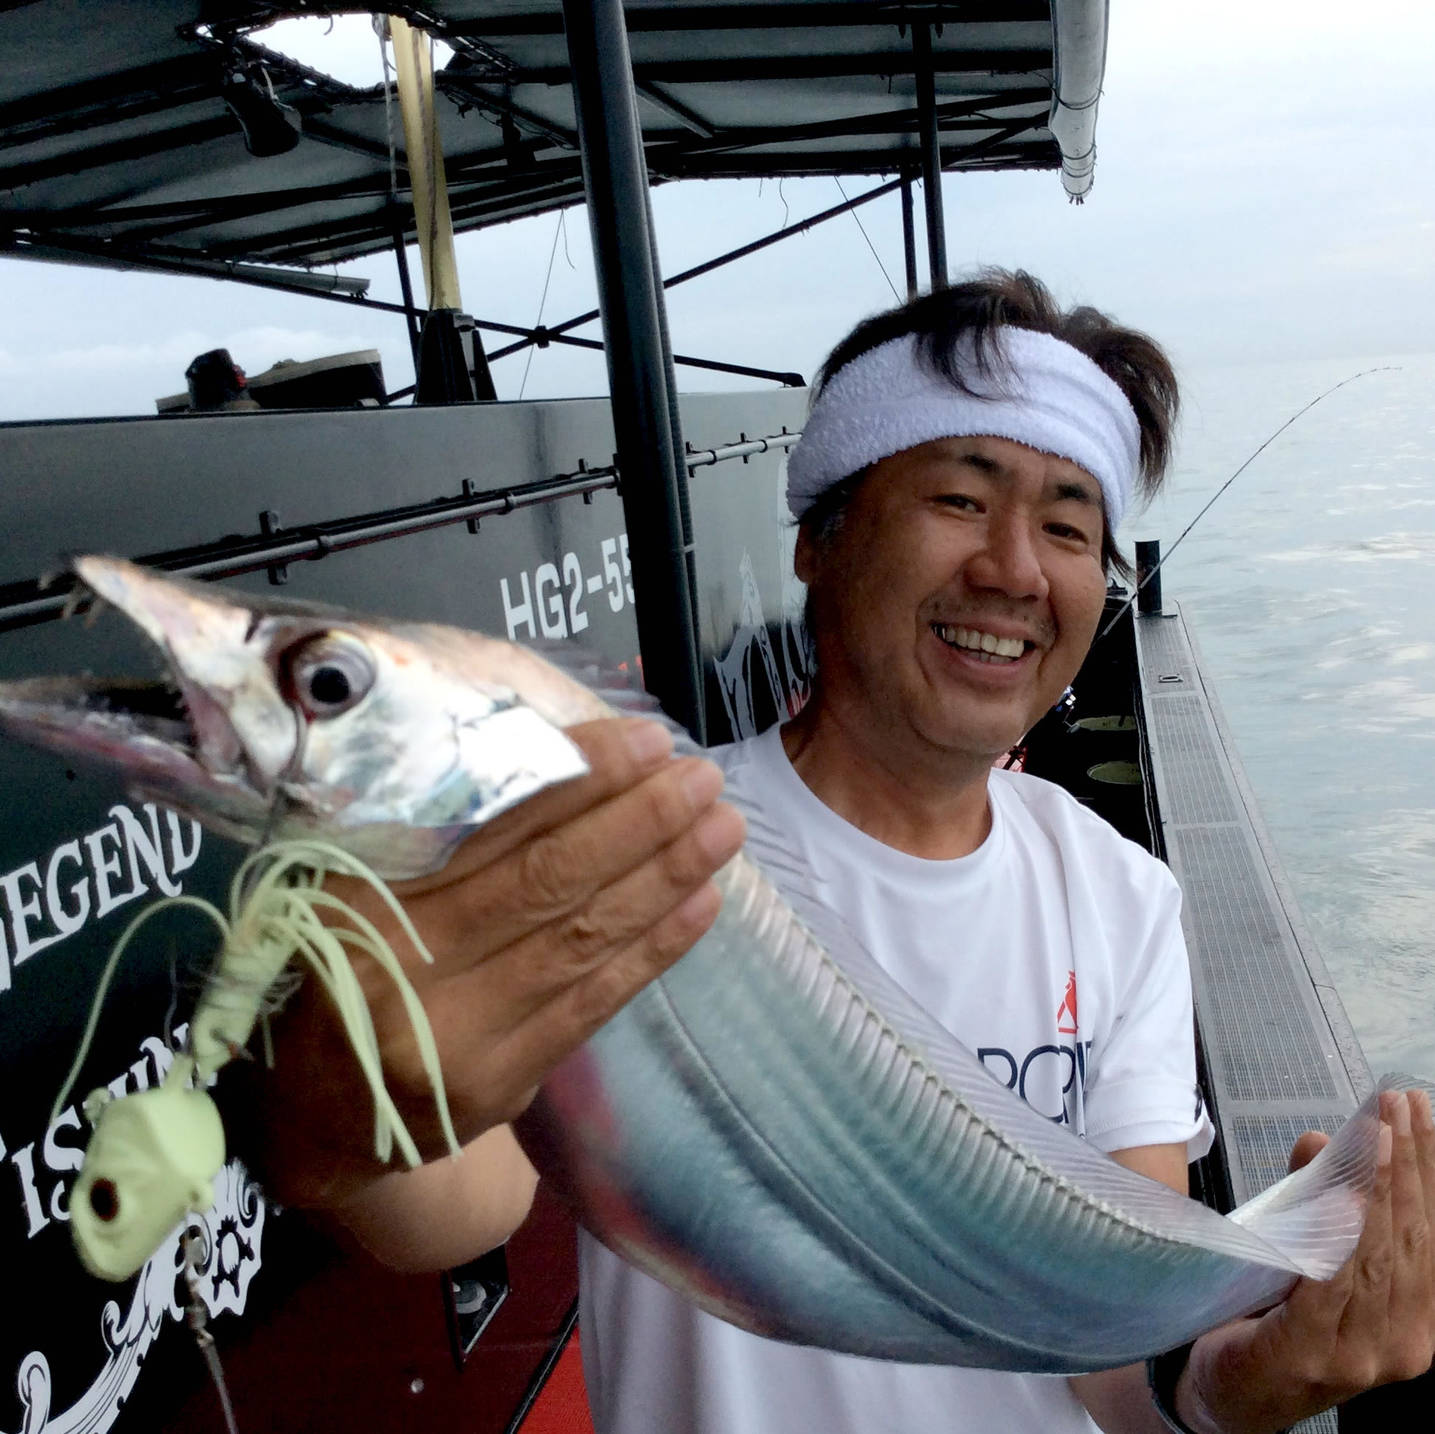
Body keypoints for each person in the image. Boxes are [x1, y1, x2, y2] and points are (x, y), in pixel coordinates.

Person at [255, 271, 1434, 1433]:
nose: (1015, 570)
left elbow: (1101, 1343)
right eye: (960, 501)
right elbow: (465, 1205)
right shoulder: (639, 848)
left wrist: (1239, 1392)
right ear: (820, 538)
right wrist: (348, 1128)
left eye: (1068, 524)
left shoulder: (1119, 892)